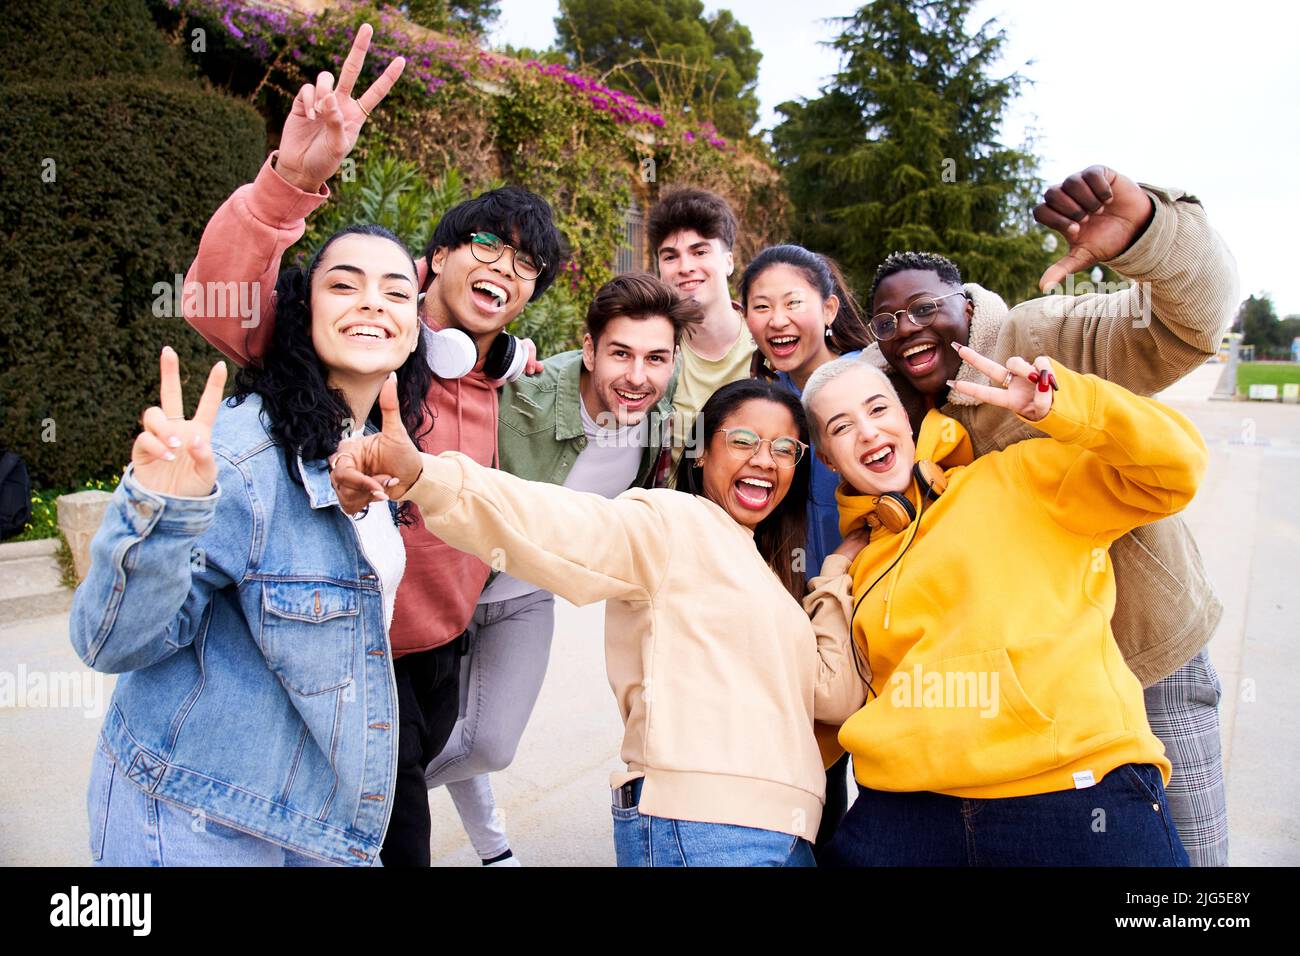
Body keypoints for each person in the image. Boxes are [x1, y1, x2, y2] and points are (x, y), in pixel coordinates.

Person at [179, 25, 565, 866]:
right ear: (433, 263)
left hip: (438, 653)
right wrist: (290, 183)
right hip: (344, 653)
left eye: (528, 264)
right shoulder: (355, 345)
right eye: (488, 243)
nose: (506, 264)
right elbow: (219, 306)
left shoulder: (513, 385)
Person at [331, 376, 869, 866]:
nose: (765, 460)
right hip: (706, 830)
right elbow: (556, 523)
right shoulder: (670, 521)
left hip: (789, 834)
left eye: (784, 449)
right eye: (744, 440)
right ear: (702, 450)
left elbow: (834, 696)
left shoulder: (771, 577)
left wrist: (838, 573)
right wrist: (426, 475)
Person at [863, 164, 1238, 866]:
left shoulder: (1044, 337)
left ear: (964, 300)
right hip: (1036, 708)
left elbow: (1192, 325)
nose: (905, 329)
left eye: (923, 309)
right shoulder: (899, 402)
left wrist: (1151, 234)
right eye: (886, 321)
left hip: (1147, 655)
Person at [72, 225, 431, 866]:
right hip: (195, 817)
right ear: (303, 310)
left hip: (313, 819)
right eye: (344, 285)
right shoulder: (245, 456)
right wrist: (161, 509)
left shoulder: (380, 448)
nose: (373, 302)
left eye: (396, 292)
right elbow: (111, 642)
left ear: (413, 325)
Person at [803, 345, 1205, 865]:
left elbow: (1175, 469)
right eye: (841, 426)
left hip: (1072, 793)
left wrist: (1063, 404)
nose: (868, 432)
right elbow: (833, 708)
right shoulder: (860, 566)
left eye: (878, 409)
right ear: (829, 459)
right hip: (906, 814)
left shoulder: (1017, 477)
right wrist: (835, 572)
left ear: (906, 418)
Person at [423, 273, 700, 865]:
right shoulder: (522, 392)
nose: (637, 376)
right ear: (590, 347)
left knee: (487, 742)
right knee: (446, 728)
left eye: (656, 359)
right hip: (451, 588)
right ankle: (487, 846)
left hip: (526, 596)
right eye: (620, 353)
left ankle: (369, 794)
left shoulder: (661, 413)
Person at [738, 243, 876, 854]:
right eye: (760, 306)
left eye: (792, 302)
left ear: (828, 307)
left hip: (875, 611)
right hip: (805, 620)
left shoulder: (869, 386)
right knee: (812, 781)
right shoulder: (769, 404)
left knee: (883, 779)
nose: (776, 319)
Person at [649, 188, 756, 477]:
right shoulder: (653, 352)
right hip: (669, 515)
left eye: (700, 251)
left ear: (728, 261)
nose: (685, 267)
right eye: (670, 257)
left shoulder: (768, 348)